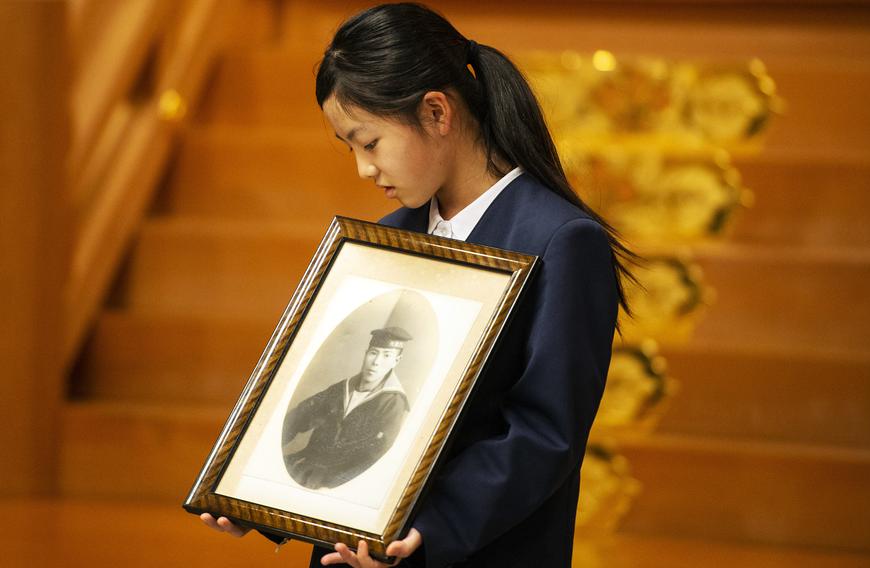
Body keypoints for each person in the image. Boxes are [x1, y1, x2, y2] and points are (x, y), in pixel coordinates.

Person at [201, 3, 634, 567]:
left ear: (436, 111)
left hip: (472, 552)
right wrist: (259, 495)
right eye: (350, 147)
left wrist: (430, 530)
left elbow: (544, 433)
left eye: (370, 142)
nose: (362, 168)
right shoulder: (382, 239)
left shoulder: (562, 240)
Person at [281, 326, 412, 490]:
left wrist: (332, 486)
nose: (377, 362)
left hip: (339, 483)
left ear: (396, 361)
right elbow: (302, 414)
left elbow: (376, 456)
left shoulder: (393, 402)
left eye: (387, 356)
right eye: (373, 353)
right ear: (366, 354)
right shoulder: (342, 388)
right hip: (307, 466)